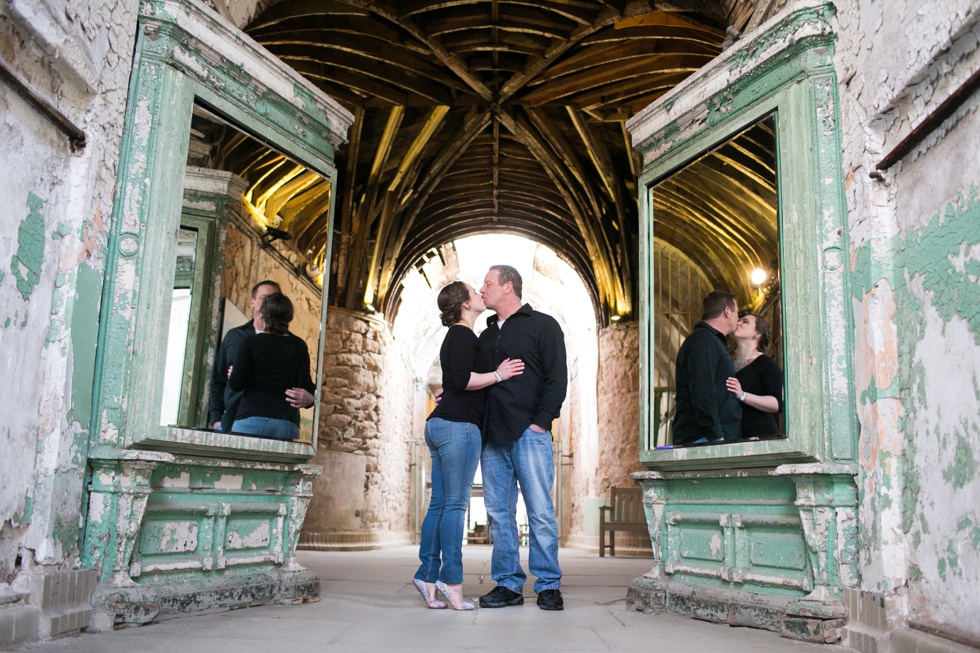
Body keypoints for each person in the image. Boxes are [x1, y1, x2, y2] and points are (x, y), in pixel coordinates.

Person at [414, 281, 524, 611]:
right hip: (458, 428)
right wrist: (500, 374)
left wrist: (454, 387)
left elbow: (454, 380)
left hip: (441, 424)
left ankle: (427, 577)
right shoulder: (462, 335)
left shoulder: (458, 337)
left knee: (439, 505)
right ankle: (453, 583)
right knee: (455, 507)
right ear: (464, 304)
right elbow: (462, 380)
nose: (479, 292)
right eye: (473, 292)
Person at [476, 265, 568, 612]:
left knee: (540, 511)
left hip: (530, 433)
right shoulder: (484, 336)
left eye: (487, 283)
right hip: (493, 437)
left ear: (508, 287)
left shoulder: (543, 325)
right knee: (499, 515)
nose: (481, 289)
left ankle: (548, 584)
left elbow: (557, 377)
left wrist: (541, 422)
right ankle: (509, 584)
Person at [208, 280, 313, 432]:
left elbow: (306, 385)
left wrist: (310, 399)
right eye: (265, 299)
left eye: (274, 299)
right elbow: (217, 380)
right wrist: (216, 419)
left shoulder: (295, 344)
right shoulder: (235, 337)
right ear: (252, 302)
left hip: (254, 419)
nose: (270, 304)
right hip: (232, 420)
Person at [671, 290, 742, 445]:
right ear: (727, 311)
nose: (739, 318)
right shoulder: (703, 341)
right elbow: (702, 391)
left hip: (709, 439)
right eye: (738, 312)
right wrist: (716, 437)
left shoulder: (708, 341)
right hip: (705, 440)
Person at [726, 313, 783, 439]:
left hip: (761, 436)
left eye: (745, 321)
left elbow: (778, 403)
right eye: (739, 320)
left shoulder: (766, 363)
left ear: (757, 334)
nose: (738, 323)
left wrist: (743, 395)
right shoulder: (729, 365)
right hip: (737, 437)